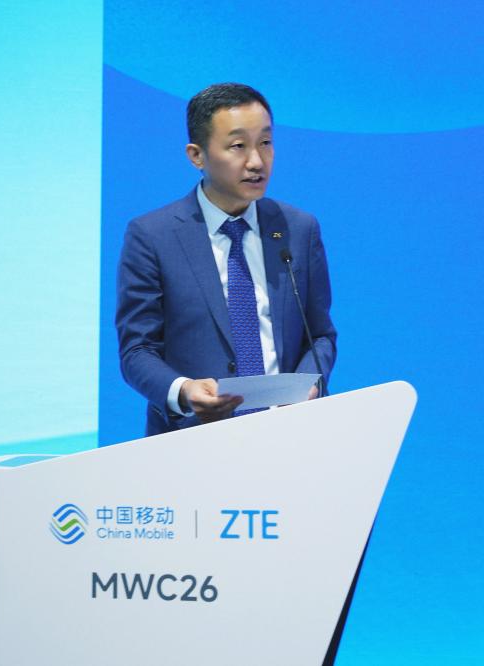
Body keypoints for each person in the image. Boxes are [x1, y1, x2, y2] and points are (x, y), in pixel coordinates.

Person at [116, 82, 337, 436]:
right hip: (193, 439)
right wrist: (184, 391)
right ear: (197, 155)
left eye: (265, 142)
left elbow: (320, 336)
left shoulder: (298, 229)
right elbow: (137, 350)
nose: (256, 161)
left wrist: (309, 385)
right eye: (238, 146)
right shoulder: (152, 236)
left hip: (289, 435)